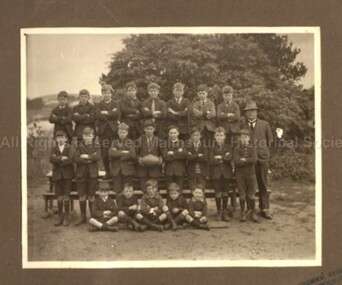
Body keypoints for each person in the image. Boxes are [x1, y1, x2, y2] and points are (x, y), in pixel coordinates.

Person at [241, 101, 274, 219]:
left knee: (263, 184)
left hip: (262, 158)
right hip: (249, 159)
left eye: (253, 111)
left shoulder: (265, 124)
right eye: (248, 111)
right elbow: (240, 141)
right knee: (250, 185)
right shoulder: (242, 124)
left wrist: (262, 151)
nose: (250, 113)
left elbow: (270, 140)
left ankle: (264, 208)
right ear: (245, 113)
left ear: (257, 112)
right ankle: (250, 209)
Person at [73, 127, 101, 226]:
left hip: (92, 174)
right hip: (81, 174)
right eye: (85, 136)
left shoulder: (96, 146)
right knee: (82, 195)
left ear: (93, 136)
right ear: (83, 136)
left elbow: (98, 156)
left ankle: (92, 216)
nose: (87, 137)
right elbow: (76, 158)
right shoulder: (79, 146)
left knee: (91, 195)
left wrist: (86, 156)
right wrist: (90, 159)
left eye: (89, 135)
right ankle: (83, 216)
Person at [49, 130, 75, 226]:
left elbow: (71, 160)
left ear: (66, 139)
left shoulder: (70, 147)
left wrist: (58, 160)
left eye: (62, 137)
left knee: (66, 195)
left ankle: (66, 216)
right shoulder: (53, 148)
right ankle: (60, 216)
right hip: (57, 175)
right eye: (58, 138)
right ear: (56, 139)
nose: (60, 140)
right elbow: (51, 159)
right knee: (59, 196)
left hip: (68, 175)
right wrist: (61, 158)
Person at [96, 83, 121, 179]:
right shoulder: (99, 105)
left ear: (111, 94)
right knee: (104, 153)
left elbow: (117, 114)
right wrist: (110, 114)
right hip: (103, 131)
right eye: (104, 92)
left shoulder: (116, 104)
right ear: (102, 94)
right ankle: (107, 172)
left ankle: (115, 172)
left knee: (114, 151)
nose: (106, 94)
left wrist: (106, 113)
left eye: (108, 92)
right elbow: (98, 115)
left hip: (113, 131)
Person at [208, 127, 233, 222]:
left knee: (225, 192)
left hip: (226, 173)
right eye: (217, 135)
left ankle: (224, 211)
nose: (219, 137)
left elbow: (229, 157)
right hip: (215, 173)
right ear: (214, 136)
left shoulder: (228, 147)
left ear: (225, 137)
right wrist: (223, 158)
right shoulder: (211, 148)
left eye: (221, 135)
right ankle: (218, 211)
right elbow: (211, 160)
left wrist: (219, 157)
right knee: (218, 192)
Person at [234, 129, 258, 222]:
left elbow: (254, 160)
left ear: (249, 138)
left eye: (245, 137)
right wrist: (247, 161)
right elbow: (237, 162)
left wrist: (243, 160)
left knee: (251, 195)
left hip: (251, 174)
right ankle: (243, 213)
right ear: (239, 139)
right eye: (242, 137)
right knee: (242, 195)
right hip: (240, 174)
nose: (244, 139)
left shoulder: (252, 148)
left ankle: (253, 212)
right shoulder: (236, 149)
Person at [108, 123, 136, 194]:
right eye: (120, 132)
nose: (122, 134)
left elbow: (132, 155)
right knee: (118, 191)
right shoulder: (114, 142)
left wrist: (117, 152)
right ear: (117, 132)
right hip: (116, 170)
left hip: (128, 170)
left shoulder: (130, 142)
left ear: (127, 133)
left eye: (123, 132)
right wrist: (123, 152)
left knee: (128, 191)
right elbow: (111, 153)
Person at [136, 119, 163, 192]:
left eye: (151, 129)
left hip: (154, 169)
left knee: (154, 190)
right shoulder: (140, 140)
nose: (149, 130)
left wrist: (161, 159)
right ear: (144, 129)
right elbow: (135, 153)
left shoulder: (158, 140)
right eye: (147, 129)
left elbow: (162, 153)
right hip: (143, 169)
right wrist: (138, 159)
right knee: (144, 190)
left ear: (154, 129)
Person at [162, 125, 187, 190]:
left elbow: (184, 155)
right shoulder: (165, 143)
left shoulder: (182, 143)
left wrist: (172, 153)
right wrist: (178, 153)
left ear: (178, 133)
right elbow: (165, 156)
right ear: (168, 134)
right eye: (171, 133)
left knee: (179, 189)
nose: (173, 135)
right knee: (169, 189)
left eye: (174, 133)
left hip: (180, 170)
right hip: (169, 170)